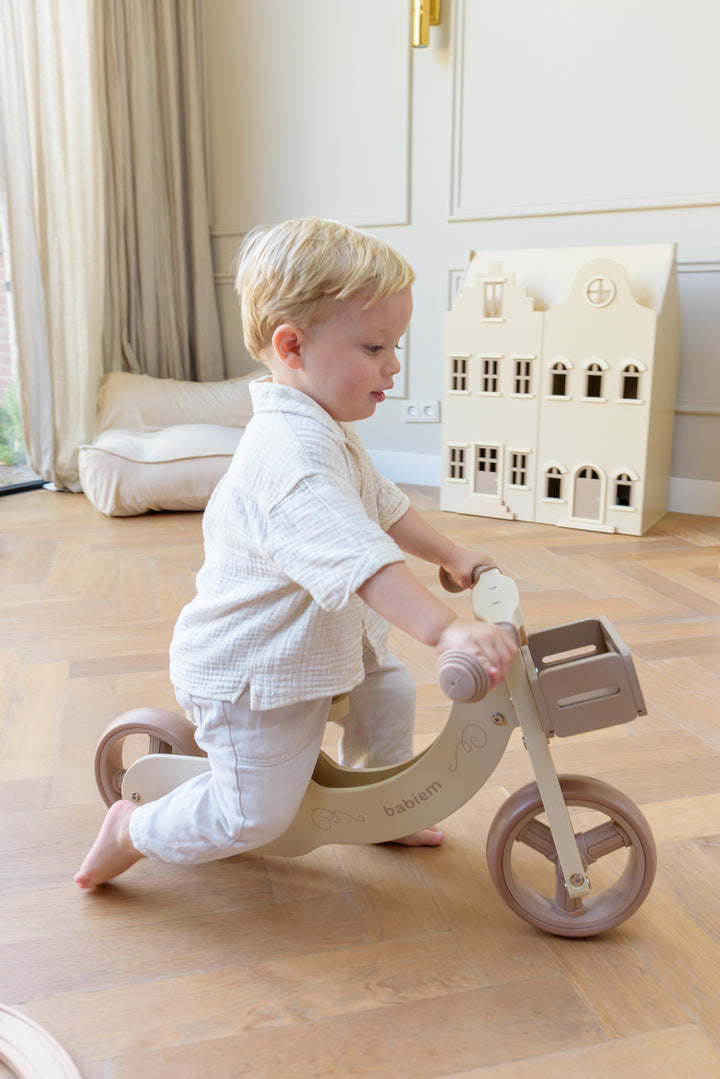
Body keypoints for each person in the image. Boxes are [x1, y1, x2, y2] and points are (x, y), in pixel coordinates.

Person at [75, 217, 517, 889]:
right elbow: (363, 560)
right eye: (375, 346)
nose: (394, 365)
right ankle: (134, 829)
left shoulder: (324, 427)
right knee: (255, 815)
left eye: (394, 345)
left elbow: (381, 502)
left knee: (389, 687)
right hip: (258, 673)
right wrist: (446, 627)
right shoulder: (290, 459)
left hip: (318, 643)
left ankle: (380, 806)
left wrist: (449, 549)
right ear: (293, 346)